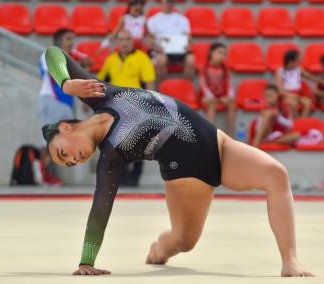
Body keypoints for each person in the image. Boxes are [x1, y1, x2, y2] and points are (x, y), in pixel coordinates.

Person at [42, 46, 313, 277]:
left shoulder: (97, 92)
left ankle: (290, 260)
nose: (74, 160)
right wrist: (86, 262)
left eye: (63, 153)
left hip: (219, 145)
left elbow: (52, 52)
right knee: (184, 241)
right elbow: (100, 210)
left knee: (276, 174)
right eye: (69, 164)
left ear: (66, 128)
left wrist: (65, 82)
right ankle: (161, 247)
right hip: (187, 176)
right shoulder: (110, 158)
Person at [97, 29, 155, 186]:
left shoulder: (142, 58)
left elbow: (149, 85)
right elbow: (101, 82)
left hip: (137, 106)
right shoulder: (111, 59)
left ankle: (134, 178)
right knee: (117, 143)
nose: (124, 42)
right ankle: (121, 177)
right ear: (117, 42)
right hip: (115, 107)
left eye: (128, 39)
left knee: (138, 143)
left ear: (133, 41)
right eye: (121, 39)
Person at [39, 29, 92, 186]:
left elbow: (89, 62)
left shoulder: (70, 55)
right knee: (49, 139)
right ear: (58, 41)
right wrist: (76, 61)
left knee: (59, 139)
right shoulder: (47, 55)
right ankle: (43, 175)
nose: (72, 42)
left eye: (73, 39)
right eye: (68, 39)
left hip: (64, 102)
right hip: (53, 100)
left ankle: (47, 174)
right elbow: (53, 74)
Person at [146, 0, 195, 80]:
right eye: (167, 2)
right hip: (161, 51)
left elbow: (189, 38)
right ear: (161, 2)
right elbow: (150, 40)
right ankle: (162, 88)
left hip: (180, 50)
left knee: (191, 60)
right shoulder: (153, 20)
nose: (169, 4)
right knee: (161, 60)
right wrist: (155, 47)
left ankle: (186, 87)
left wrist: (188, 46)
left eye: (171, 2)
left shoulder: (182, 19)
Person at [199, 42, 236, 137]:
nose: (222, 56)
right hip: (207, 97)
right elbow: (203, 85)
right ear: (211, 53)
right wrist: (210, 96)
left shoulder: (225, 68)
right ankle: (210, 134)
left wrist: (230, 95)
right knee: (212, 103)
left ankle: (231, 134)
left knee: (232, 102)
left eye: (224, 54)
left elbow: (229, 82)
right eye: (219, 52)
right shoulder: (205, 67)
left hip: (221, 96)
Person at [275, 50, 324, 118]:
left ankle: (301, 122)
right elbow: (279, 89)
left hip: (299, 93)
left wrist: (320, 81)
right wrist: (290, 94)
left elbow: (311, 77)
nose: (300, 62)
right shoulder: (280, 71)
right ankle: (296, 122)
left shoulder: (299, 69)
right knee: (292, 104)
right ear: (290, 62)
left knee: (308, 104)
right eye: (298, 60)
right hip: (287, 94)